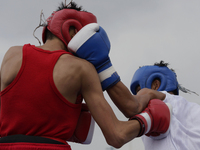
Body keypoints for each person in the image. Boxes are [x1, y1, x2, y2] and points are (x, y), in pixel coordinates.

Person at [0, 1, 171, 150]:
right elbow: (116, 136)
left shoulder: (12, 55)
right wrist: (147, 120)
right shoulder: (82, 69)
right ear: (74, 32)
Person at [130, 60, 200, 150]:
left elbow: (130, 105)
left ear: (156, 85)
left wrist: (107, 70)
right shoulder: (191, 109)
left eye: (139, 90)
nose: (137, 95)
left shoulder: (168, 103)